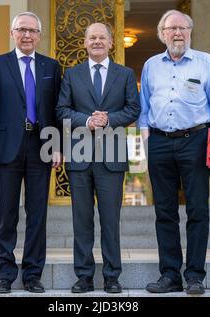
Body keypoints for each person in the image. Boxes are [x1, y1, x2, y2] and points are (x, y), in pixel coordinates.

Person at [139, 10, 210, 295]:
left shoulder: (206, 62)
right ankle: (169, 275)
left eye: (182, 28)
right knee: (164, 211)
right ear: (162, 34)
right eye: (171, 29)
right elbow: (144, 109)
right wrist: (146, 144)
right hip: (159, 142)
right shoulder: (151, 65)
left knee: (197, 210)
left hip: (196, 139)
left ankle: (195, 276)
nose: (177, 33)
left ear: (190, 32)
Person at [0, 12, 62, 294]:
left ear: (39, 35)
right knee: (6, 212)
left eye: (32, 31)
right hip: (6, 147)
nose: (27, 35)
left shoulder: (52, 66)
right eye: (21, 30)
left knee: (37, 213)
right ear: (12, 33)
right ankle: (4, 274)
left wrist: (57, 145)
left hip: (41, 145)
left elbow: (57, 112)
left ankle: (32, 275)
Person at [56, 23, 140, 293]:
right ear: (84, 43)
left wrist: (109, 119)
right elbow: (62, 110)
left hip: (112, 156)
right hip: (79, 156)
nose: (97, 42)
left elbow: (133, 109)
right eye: (91, 37)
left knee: (110, 220)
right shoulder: (72, 74)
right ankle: (84, 276)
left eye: (102, 37)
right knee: (81, 220)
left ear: (111, 42)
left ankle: (112, 277)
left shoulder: (125, 74)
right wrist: (88, 120)